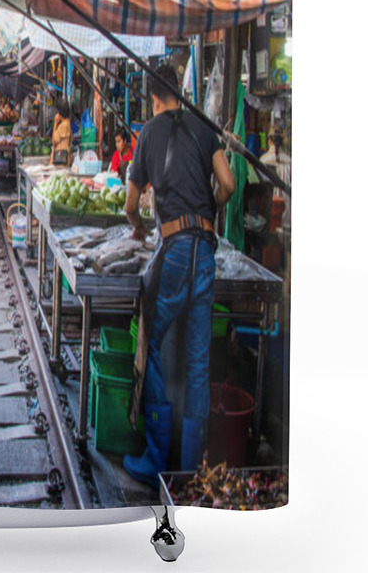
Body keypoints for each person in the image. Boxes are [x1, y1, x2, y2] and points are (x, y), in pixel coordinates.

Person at [122, 63, 235, 487]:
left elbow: (132, 204)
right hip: (205, 252)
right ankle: (189, 468)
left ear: (153, 98)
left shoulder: (149, 132)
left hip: (173, 253)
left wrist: (138, 226)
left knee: (150, 344)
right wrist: (210, 209)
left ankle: (155, 459)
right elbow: (227, 183)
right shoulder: (204, 128)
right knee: (198, 358)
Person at [51, 98, 72, 166]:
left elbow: (54, 141)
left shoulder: (63, 126)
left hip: (60, 161)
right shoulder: (68, 123)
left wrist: (55, 123)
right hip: (64, 159)